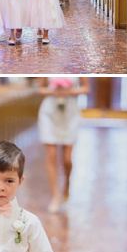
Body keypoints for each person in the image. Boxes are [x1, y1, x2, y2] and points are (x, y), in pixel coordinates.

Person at [37, 77, 90, 212]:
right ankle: (55, 196)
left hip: (70, 112)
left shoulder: (77, 65)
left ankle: (67, 183)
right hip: (49, 112)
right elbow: (40, 89)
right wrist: (54, 91)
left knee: (67, 159)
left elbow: (86, 88)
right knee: (51, 155)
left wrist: (69, 91)